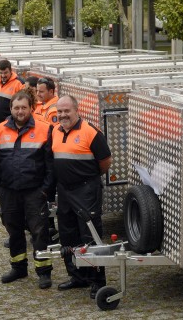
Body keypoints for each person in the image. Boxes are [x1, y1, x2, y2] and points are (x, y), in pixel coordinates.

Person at [0, 89, 54, 289]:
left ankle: (44, 271)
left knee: (39, 231)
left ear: (31, 108)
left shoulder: (45, 129)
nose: (20, 111)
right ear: (11, 109)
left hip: (35, 191)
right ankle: (18, 267)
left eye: (24, 107)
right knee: (13, 230)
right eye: (16, 107)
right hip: (9, 191)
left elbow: (51, 164)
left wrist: (45, 190)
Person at [53, 95, 112, 299]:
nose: (62, 115)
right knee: (68, 235)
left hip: (86, 190)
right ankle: (77, 276)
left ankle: (97, 281)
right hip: (65, 191)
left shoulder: (91, 132)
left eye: (66, 111)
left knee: (90, 237)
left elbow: (105, 162)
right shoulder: (55, 130)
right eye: (59, 111)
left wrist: (88, 179)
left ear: (76, 110)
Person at [0, 59, 24, 125]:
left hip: (11, 122)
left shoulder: (19, 83)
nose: (3, 75)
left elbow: (23, 103)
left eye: (5, 73)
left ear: (11, 71)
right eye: (1, 73)